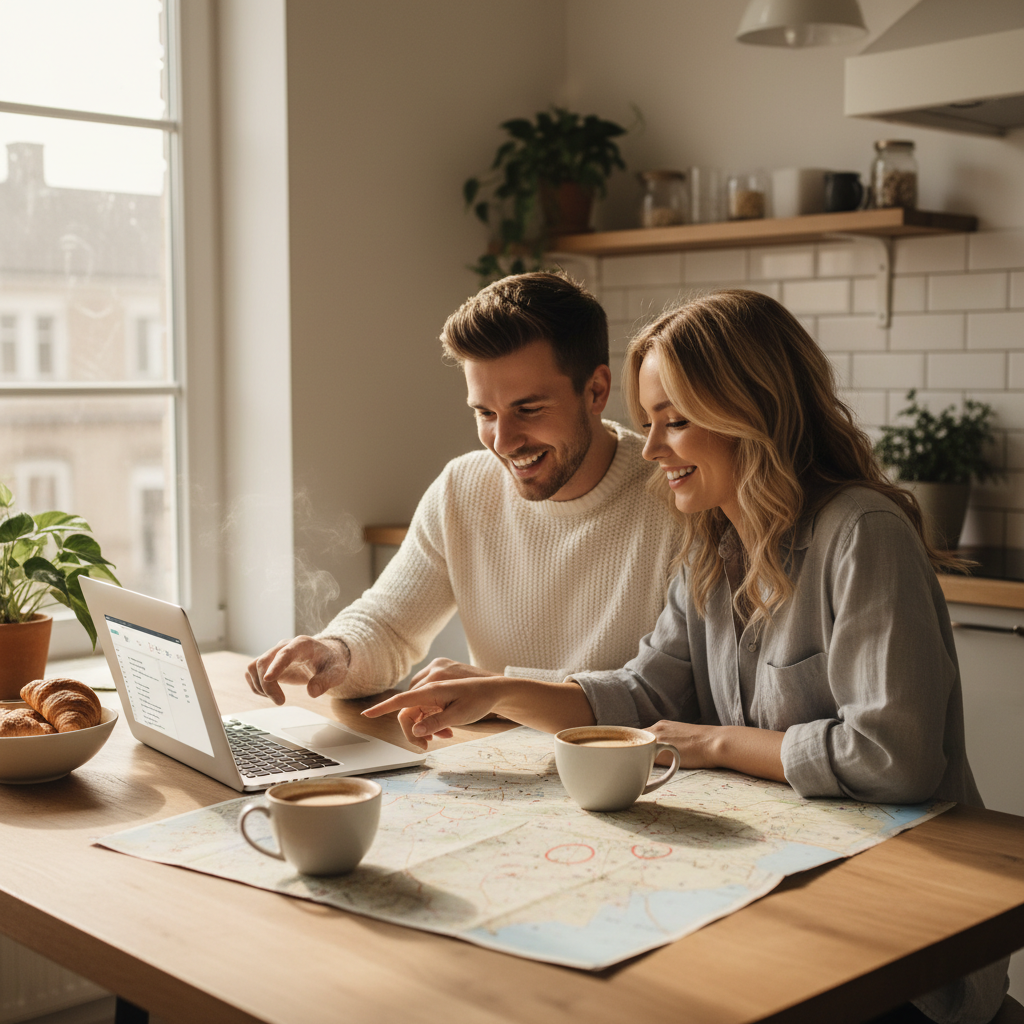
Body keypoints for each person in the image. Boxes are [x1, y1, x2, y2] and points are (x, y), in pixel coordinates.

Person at [364, 289, 1008, 1024]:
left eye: (676, 421)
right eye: (648, 422)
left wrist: (720, 743)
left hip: (905, 947)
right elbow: (643, 695)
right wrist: (497, 690)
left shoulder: (862, 533)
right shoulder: (715, 544)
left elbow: (895, 758)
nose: (653, 448)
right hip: (793, 884)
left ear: (753, 413)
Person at [246, 271, 681, 703]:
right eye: (485, 413)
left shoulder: (676, 496)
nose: (503, 442)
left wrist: (499, 692)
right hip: (498, 762)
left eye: (527, 409)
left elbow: (666, 692)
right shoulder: (463, 488)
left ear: (596, 390)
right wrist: (338, 651)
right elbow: (389, 627)